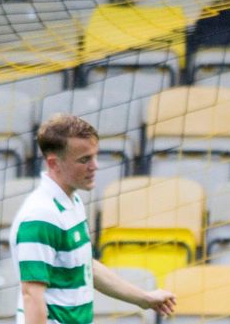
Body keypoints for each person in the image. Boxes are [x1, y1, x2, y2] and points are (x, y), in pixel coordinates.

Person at [9, 113, 176, 324]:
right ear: (54, 163)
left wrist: (144, 298)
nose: (95, 166)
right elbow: (32, 296)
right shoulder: (42, 216)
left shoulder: (72, 202)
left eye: (95, 156)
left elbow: (85, 265)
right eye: (84, 160)